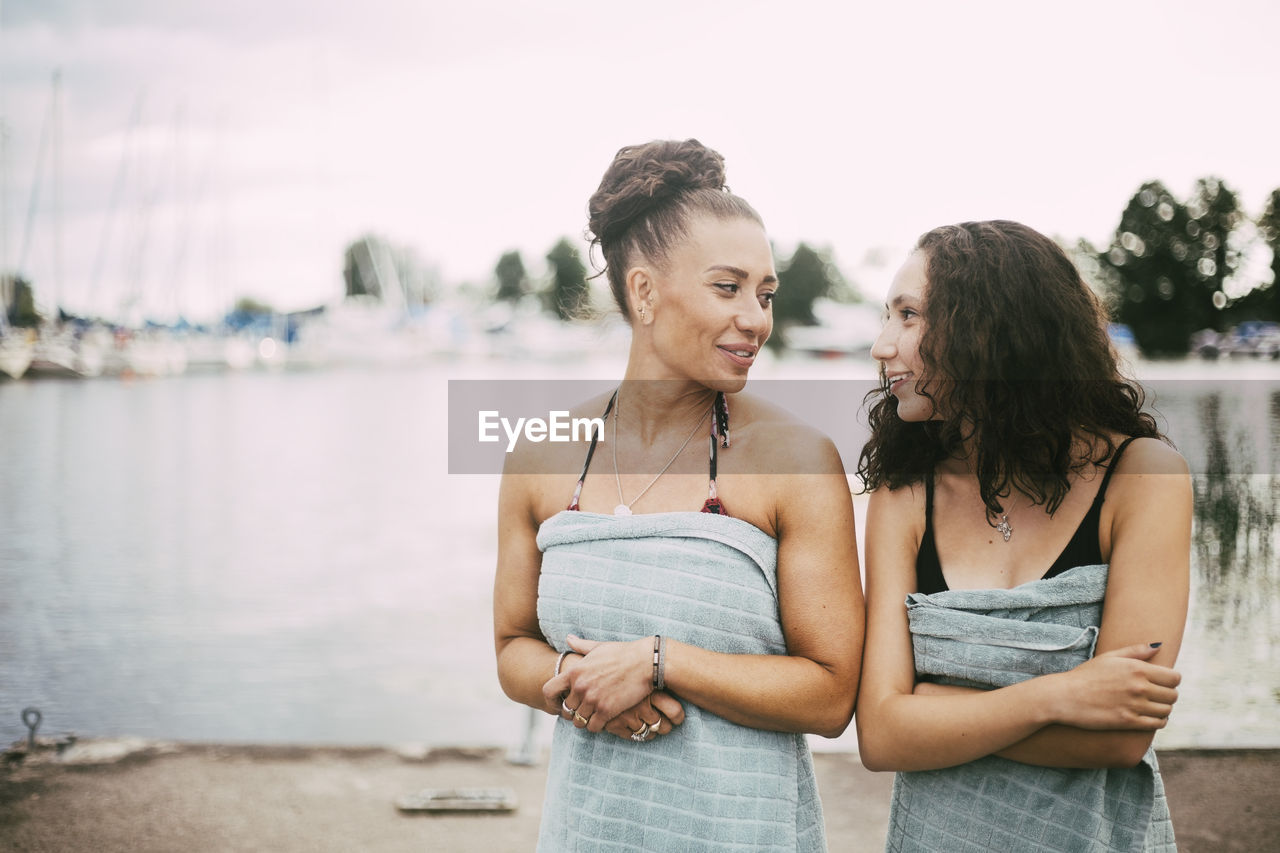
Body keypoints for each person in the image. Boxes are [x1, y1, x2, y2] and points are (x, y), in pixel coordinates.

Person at [493, 139, 864, 851]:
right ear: (643, 292)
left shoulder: (798, 461)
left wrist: (659, 660)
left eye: (765, 294)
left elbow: (830, 693)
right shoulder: (538, 455)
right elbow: (512, 646)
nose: (756, 319)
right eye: (728, 288)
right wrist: (580, 679)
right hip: (587, 834)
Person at [854, 220, 1191, 852]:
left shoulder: (1143, 477)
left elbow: (1120, 738)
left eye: (908, 316)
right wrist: (1063, 695)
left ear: (988, 329)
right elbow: (881, 735)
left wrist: (935, 708)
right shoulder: (905, 492)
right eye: (887, 316)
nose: (881, 345)